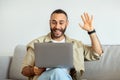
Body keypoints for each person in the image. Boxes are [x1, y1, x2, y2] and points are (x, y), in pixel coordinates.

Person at [21, 9, 103, 80]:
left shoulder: (76, 45)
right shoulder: (37, 43)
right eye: (54, 22)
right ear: (49, 23)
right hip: (43, 78)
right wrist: (33, 70)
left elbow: (97, 53)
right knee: (56, 71)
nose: (57, 26)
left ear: (67, 23)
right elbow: (24, 70)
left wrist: (91, 31)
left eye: (61, 23)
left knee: (58, 72)